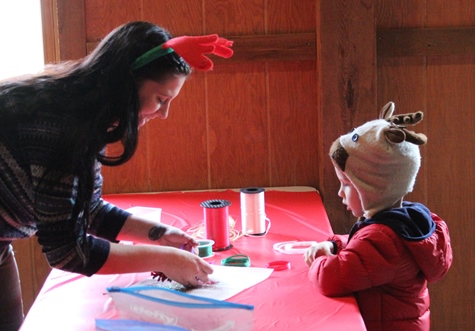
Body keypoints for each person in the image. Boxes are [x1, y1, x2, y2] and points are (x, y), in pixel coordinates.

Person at [0, 21, 233, 330]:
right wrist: (163, 259)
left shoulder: (79, 112)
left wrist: (157, 234)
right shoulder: (60, 126)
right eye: (161, 99)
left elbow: (87, 210)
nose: (163, 114)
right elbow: (68, 252)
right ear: (125, 85)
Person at [304, 102, 453, 331]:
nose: (340, 192)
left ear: (373, 188)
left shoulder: (382, 240)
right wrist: (335, 243)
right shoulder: (402, 221)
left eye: (346, 184)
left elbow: (330, 279)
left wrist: (319, 261)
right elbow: (362, 247)